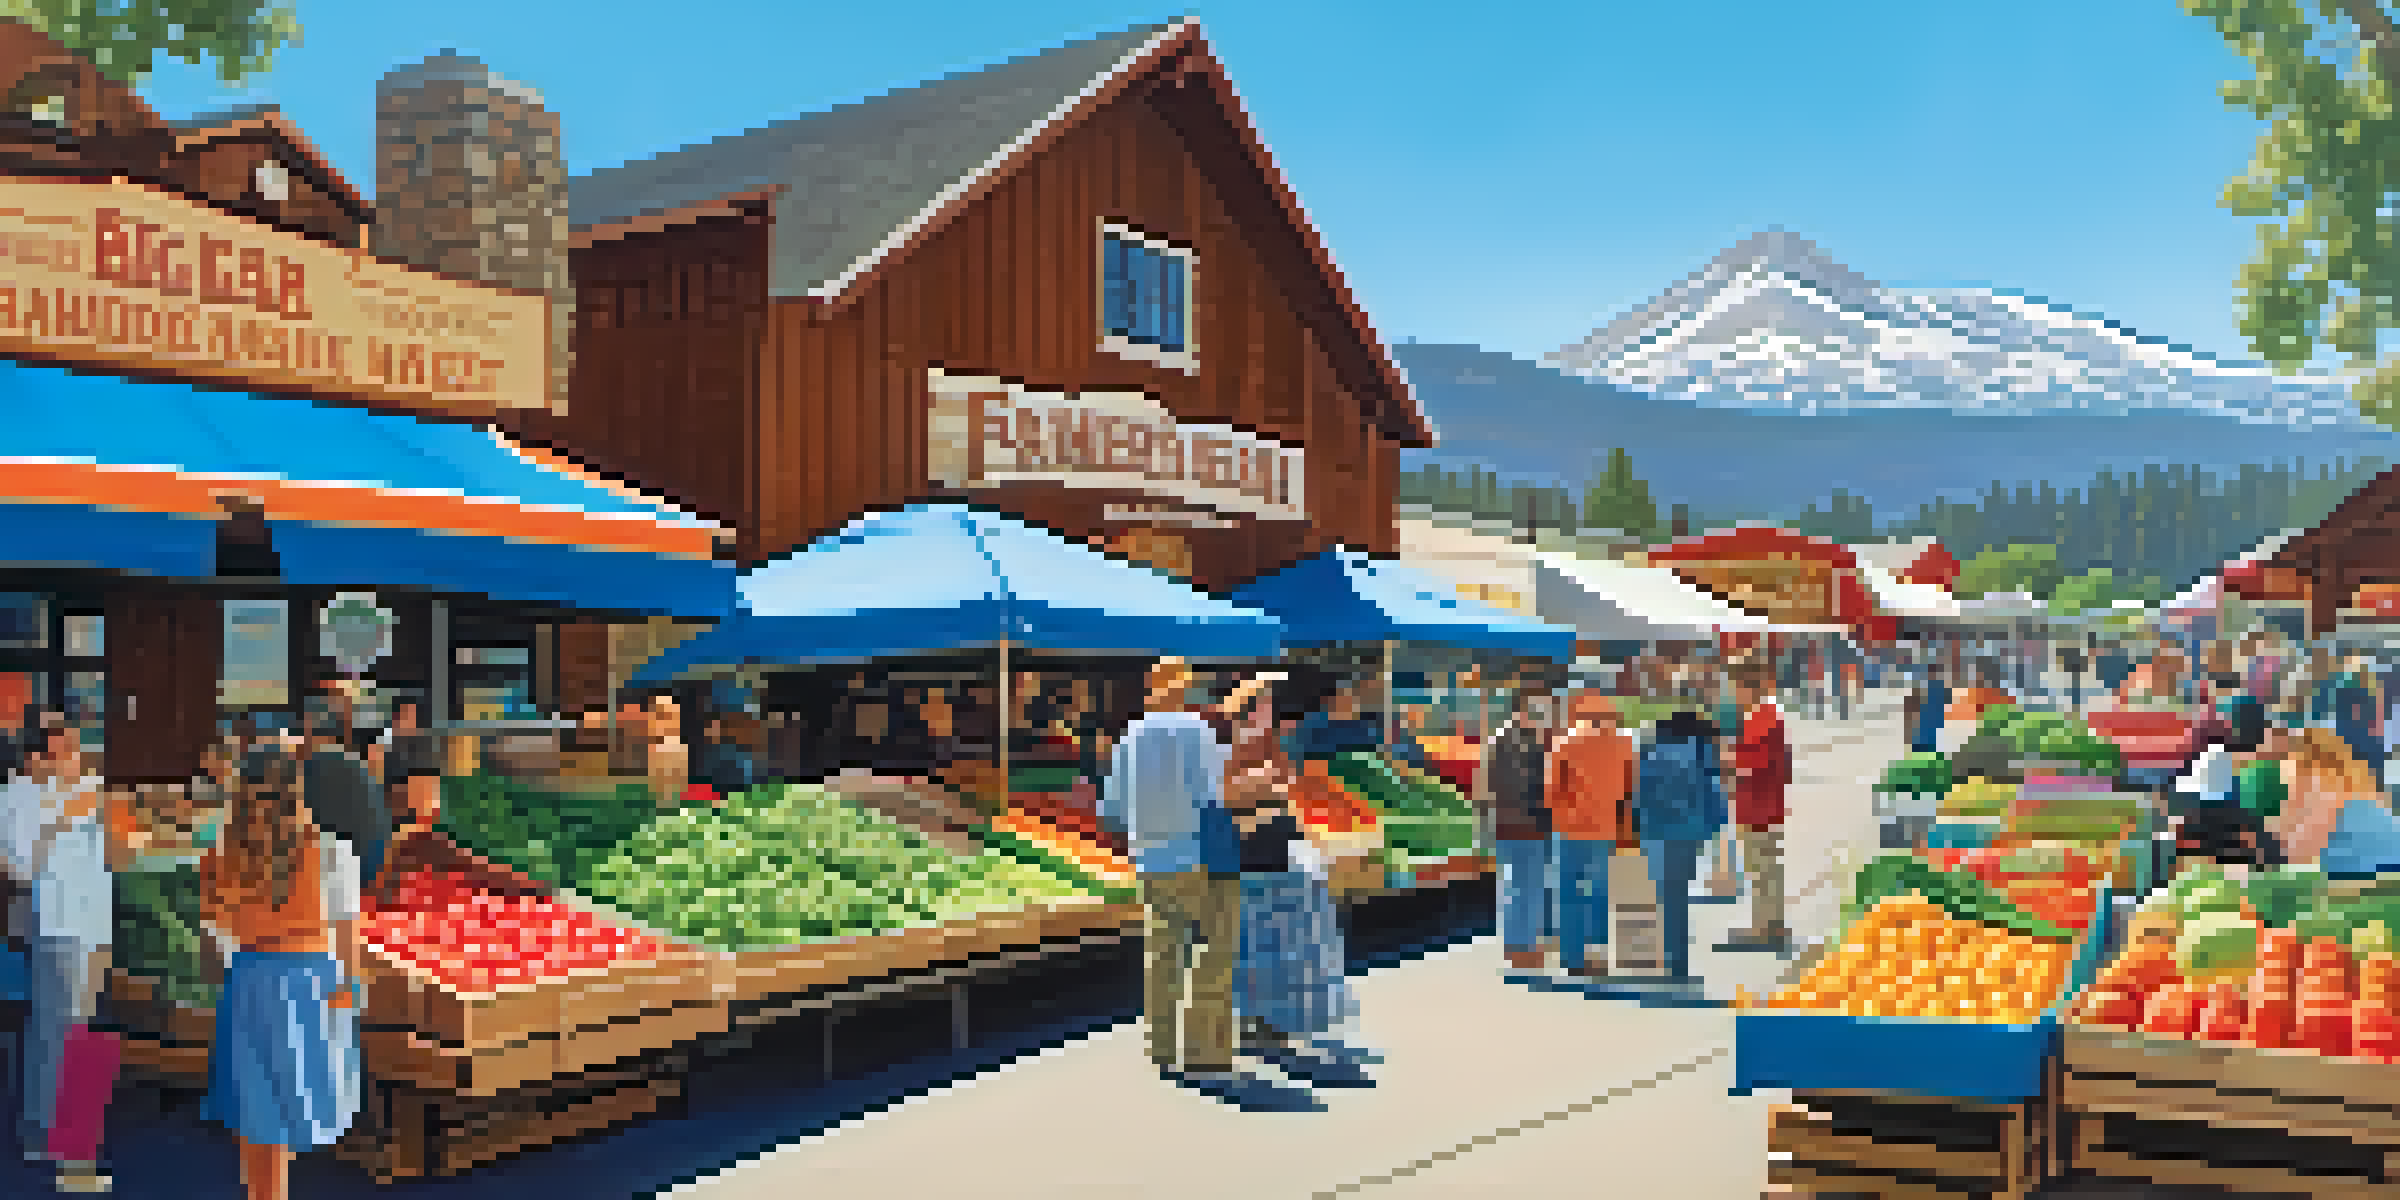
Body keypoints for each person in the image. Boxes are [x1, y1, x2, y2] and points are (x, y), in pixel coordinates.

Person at [197, 751, 363, 1200]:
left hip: (250, 981)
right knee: (294, 1109)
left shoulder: (218, 859)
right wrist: (348, 994)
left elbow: (214, 944)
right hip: (313, 984)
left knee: (256, 1115)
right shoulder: (333, 852)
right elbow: (347, 937)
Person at [1101, 659, 1247, 1098]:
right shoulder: (1198, 732)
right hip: (1200, 852)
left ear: (1151, 688)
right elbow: (1215, 794)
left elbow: (1112, 808)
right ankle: (1203, 1051)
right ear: (1184, 688)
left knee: (1162, 951)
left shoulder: (1129, 736)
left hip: (1151, 856)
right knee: (1212, 951)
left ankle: (1161, 1045)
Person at [1224, 678, 1367, 1081]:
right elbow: (1229, 801)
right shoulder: (1238, 748)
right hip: (1252, 860)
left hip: (1278, 854)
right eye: (1263, 702)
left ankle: (1273, 1024)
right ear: (1248, 709)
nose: (1270, 709)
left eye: (1271, 702)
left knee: (1279, 948)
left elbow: (1286, 795)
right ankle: (1255, 1025)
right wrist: (1263, 793)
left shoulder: (1272, 746)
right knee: (1256, 947)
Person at [1, 713, 120, 1193]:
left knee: (70, 1034)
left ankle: (54, 1139)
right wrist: (65, 819)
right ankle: (69, 1158)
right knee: (61, 1036)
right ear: (35, 757)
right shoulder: (15, 800)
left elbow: (111, 848)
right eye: (63, 748)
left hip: (90, 927)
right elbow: (20, 869)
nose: (75, 754)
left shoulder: (82, 789)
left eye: (74, 745)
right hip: (60, 927)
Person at [1545, 692, 1634, 980]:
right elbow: (1628, 789)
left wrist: (1566, 809)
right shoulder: (1623, 743)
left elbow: (1550, 790)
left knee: (1569, 891)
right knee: (1599, 892)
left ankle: (1572, 956)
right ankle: (1596, 955)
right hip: (1605, 827)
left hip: (1570, 827)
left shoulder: (1566, 741)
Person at [1639, 704, 1727, 984]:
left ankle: (1665, 960)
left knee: (1664, 898)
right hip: (1688, 833)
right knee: (1679, 899)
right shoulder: (1701, 751)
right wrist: (1713, 829)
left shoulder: (1649, 751)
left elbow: (1639, 793)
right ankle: (1677, 965)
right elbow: (1713, 791)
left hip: (1656, 833)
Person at [1476, 684, 1558, 972]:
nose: (1543, 713)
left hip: (1512, 822)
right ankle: (1524, 948)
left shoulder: (1509, 738)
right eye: (1539, 707)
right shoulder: (1518, 741)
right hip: (1525, 822)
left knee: (1518, 886)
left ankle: (1519, 946)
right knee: (1527, 887)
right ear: (1522, 708)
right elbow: (1522, 785)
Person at [1725, 664, 1792, 951]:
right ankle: (1772, 925)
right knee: (1768, 870)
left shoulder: (1762, 719)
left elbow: (1754, 763)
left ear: (1747, 688)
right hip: (1767, 804)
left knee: (1761, 870)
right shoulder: (1767, 716)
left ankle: (1765, 930)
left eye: (1735, 688)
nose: (1733, 695)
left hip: (1758, 806)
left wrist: (1728, 758)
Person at [300, 702, 392, 891]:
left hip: (340, 884)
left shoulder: (309, 769)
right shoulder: (361, 768)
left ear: (309, 733)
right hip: (374, 872)